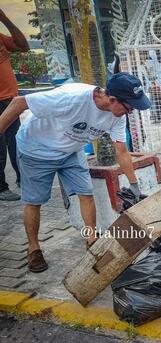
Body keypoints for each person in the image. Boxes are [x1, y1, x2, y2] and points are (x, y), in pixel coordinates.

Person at [0, 73, 151, 273]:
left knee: (86, 195)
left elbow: (121, 151)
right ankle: (34, 248)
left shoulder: (117, 116)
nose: (131, 111)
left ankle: (91, 240)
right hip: (37, 150)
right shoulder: (71, 97)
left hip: (72, 151)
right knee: (35, 201)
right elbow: (20, 102)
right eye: (130, 106)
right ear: (113, 99)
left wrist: (134, 187)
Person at [0, 9, 29, 201]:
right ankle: (1, 188)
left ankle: (23, 179)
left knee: (16, 142)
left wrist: (5, 19)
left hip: (9, 100)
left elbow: (23, 46)